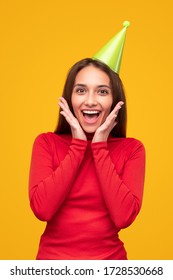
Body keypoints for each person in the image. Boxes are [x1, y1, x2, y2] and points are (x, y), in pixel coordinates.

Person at [29, 57, 145, 260]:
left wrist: (99, 146)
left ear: (116, 101)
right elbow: (42, 210)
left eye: (102, 91)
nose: (90, 101)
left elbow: (124, 217)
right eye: (81, 90)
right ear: (68, 98)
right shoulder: (46, 143)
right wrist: (78, 146)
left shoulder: (132, 149)